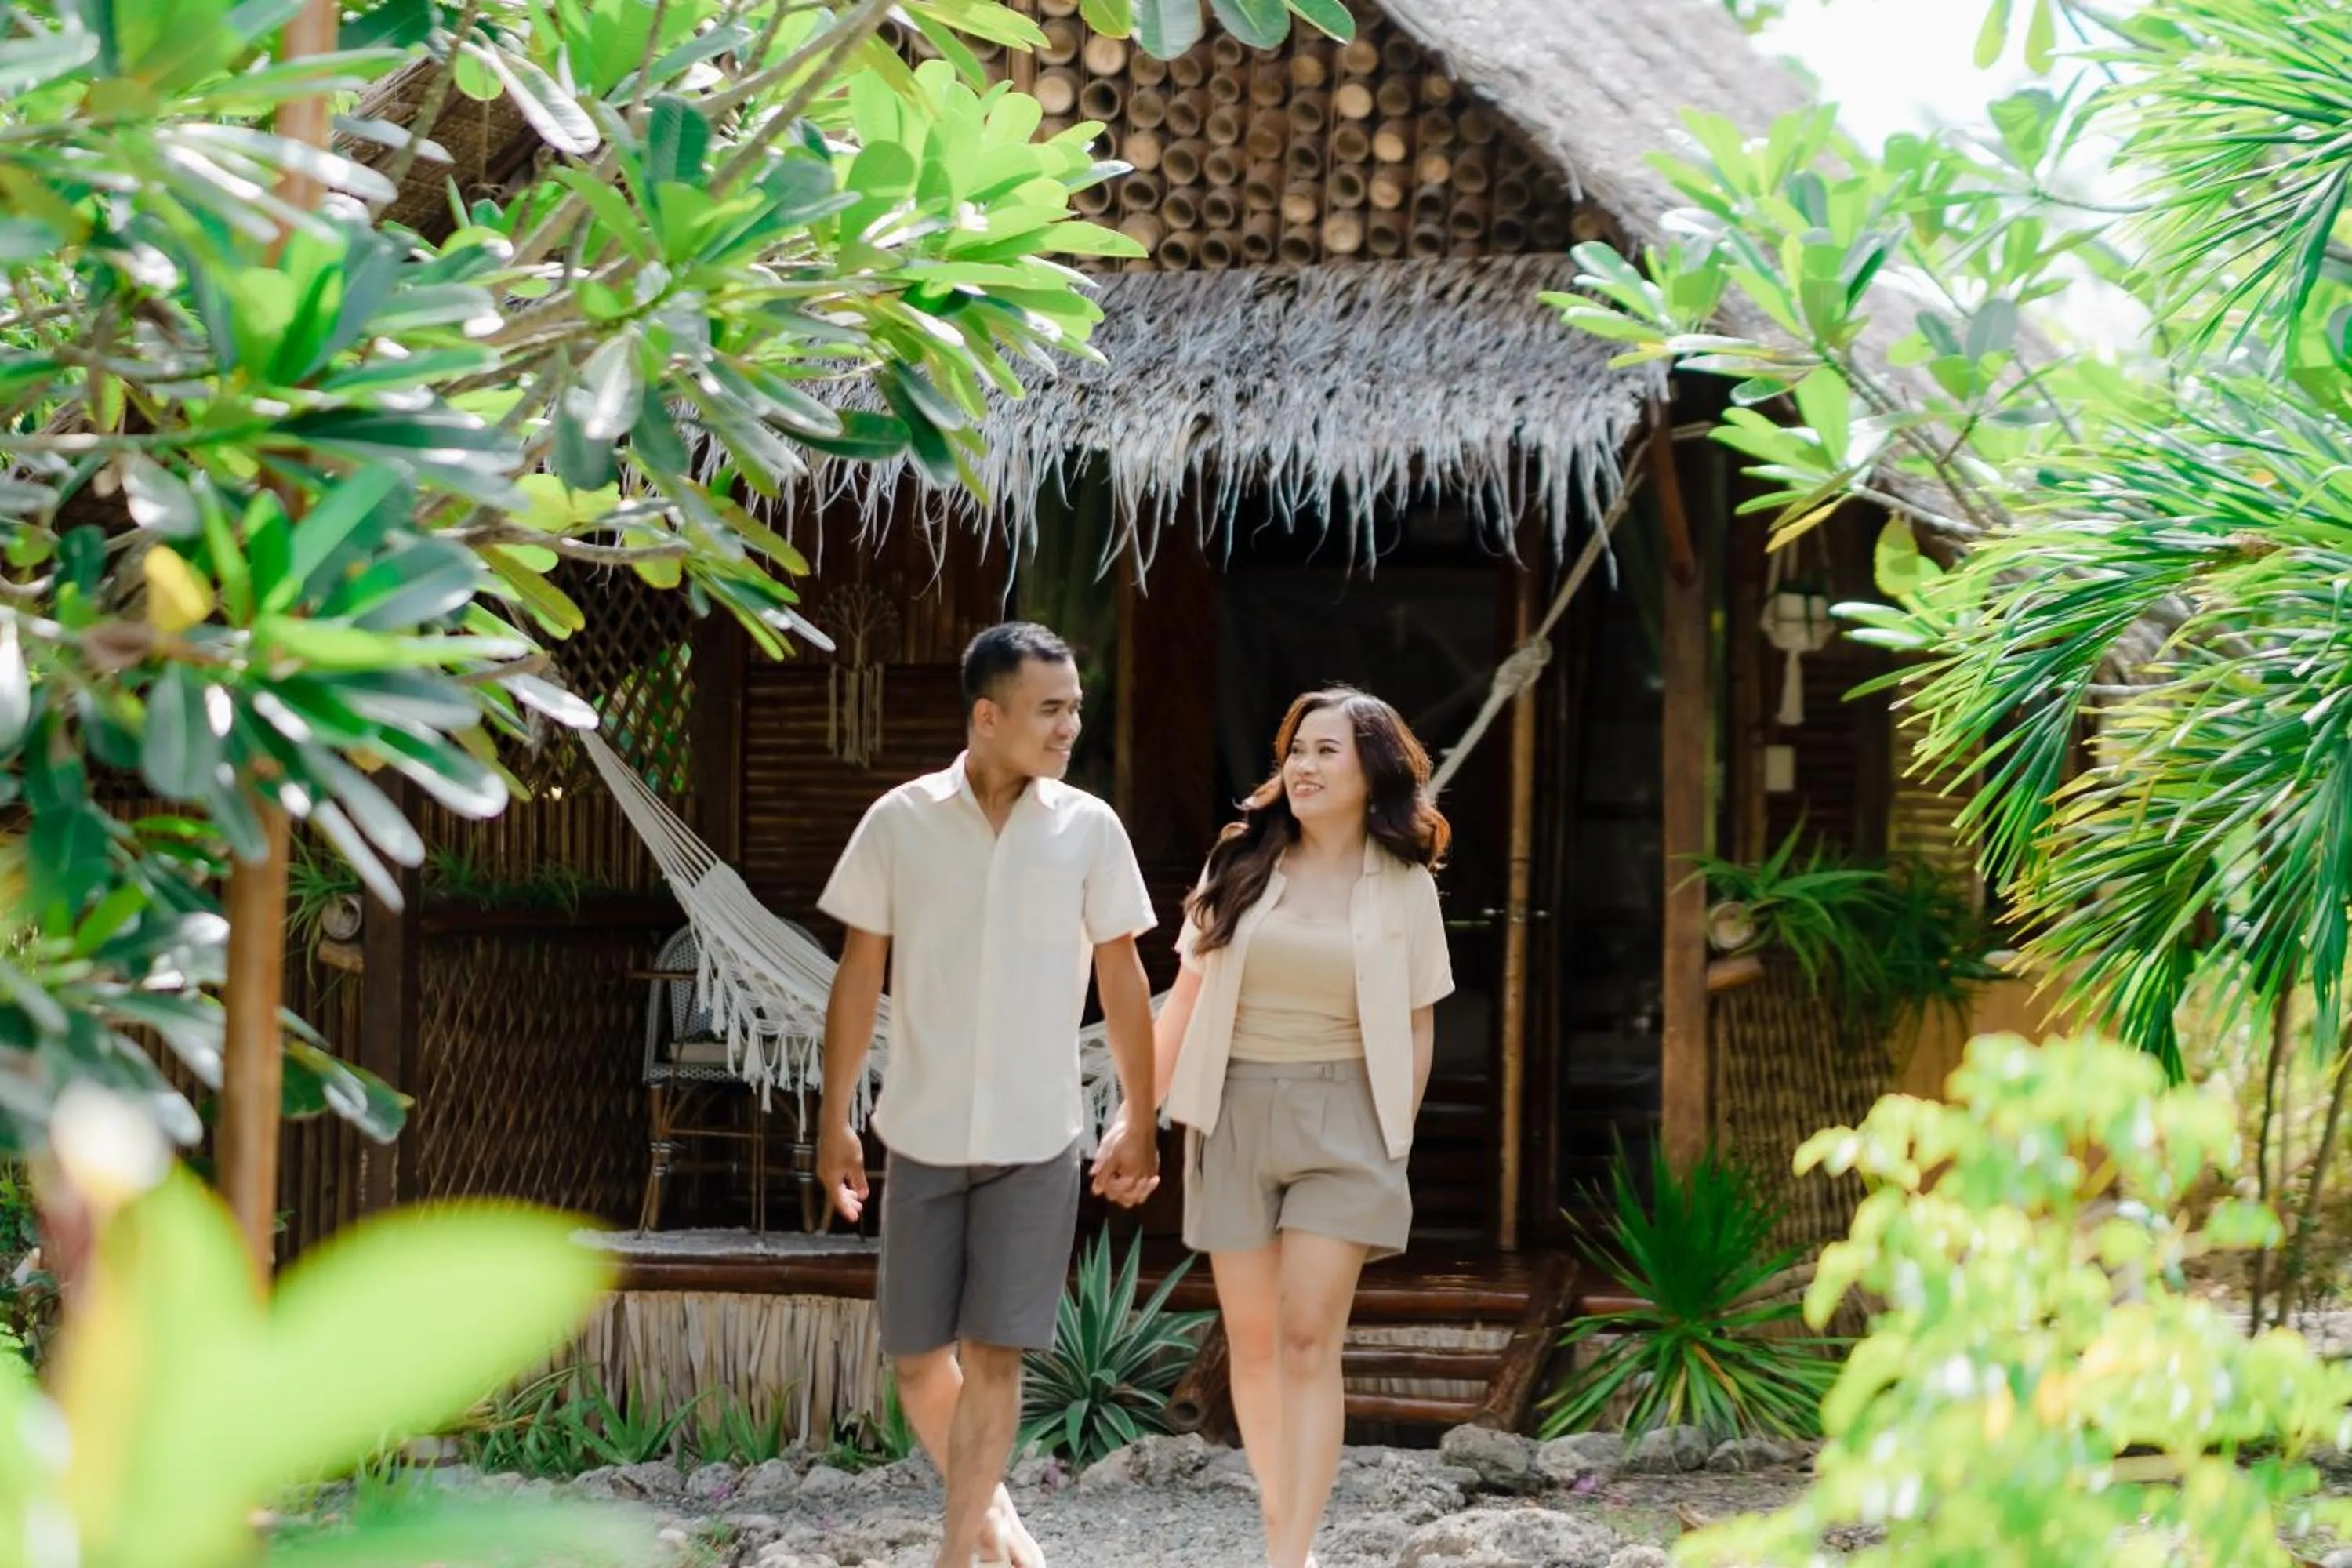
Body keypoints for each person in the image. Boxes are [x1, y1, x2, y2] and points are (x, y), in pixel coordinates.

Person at [815, 621, 1162, 1568]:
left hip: (1036, 1134)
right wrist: (834, 1114)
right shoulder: (900, 821)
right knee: (920, 1359)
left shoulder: (1090, 828)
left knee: (998, 1354)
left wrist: (1139, 1110)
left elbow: (1124, 978)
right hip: (920, 1132)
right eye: (1051, 708)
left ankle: (957, 1551)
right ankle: (996, 1516)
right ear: (987, 714)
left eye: (1074, 708)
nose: (1069, 726)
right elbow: (857, 976)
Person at [1117, 688, 1452, 1568]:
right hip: (1232, 1108)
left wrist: (1395, 1139)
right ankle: (1286, 1531)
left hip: (1350, 1115)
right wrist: (1134, 1116)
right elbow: (1182, 1001)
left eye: (1325, 751)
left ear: (1372, 768)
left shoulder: (1406, 885)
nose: (1302, 766)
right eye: (1294, 750)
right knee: (1255, 1347)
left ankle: (1287, 1552)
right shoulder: (1239, 859)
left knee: (1309, 1334)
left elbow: (1418, 1025)